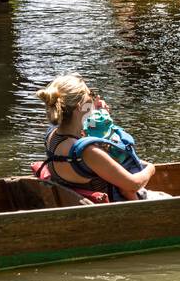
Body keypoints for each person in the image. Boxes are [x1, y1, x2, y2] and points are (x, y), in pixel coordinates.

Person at [34, 74, 158, 202]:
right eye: (90, 94)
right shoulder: (87, 152)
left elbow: (86, 134)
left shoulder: (52, 135)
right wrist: (151, 168)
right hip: (111, 212)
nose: (92, 99)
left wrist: (100, 117)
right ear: (79, 106)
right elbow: (133, 184)